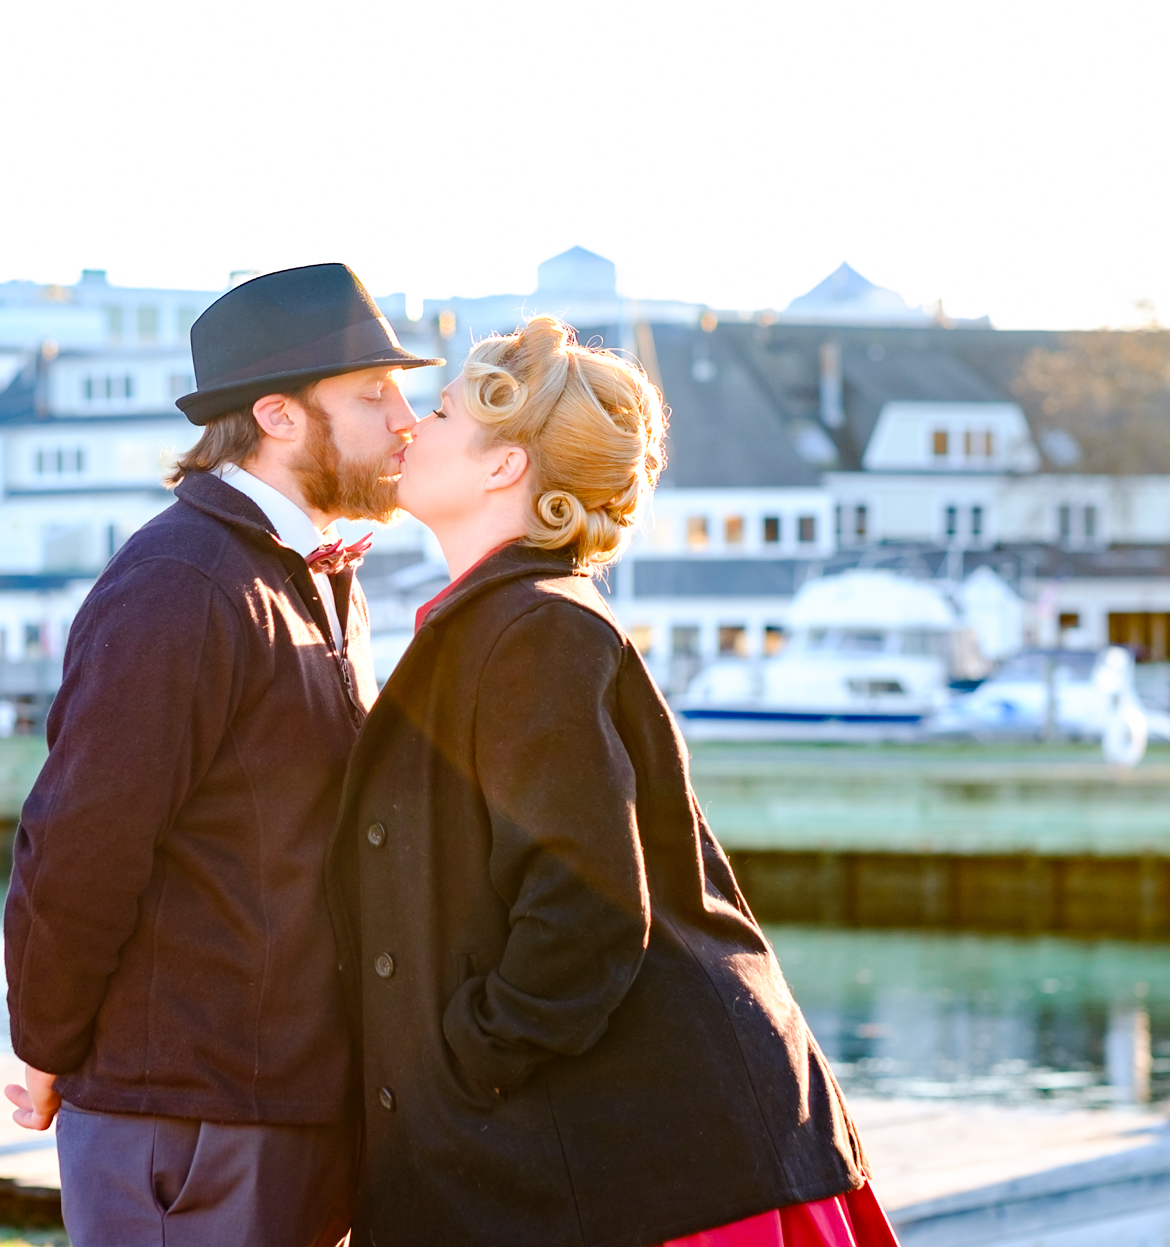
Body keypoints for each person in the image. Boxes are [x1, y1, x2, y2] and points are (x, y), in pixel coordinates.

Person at [331, 316, 898, 1247]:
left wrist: (466, 1058)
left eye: (435, 412)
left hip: (656, 1166)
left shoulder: (534, 628)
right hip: (649, 1150)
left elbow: (586, 907)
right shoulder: (511, 618)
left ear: (504, 466)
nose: (406, 428)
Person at [3, 263, 441, 1247]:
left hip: (284, 1103)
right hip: (191, 1116)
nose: (406, 418)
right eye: (373, 393)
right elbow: (79, 840)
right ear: (280, 417)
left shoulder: (311, 575)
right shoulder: (179, 583)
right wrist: (44, 1044)